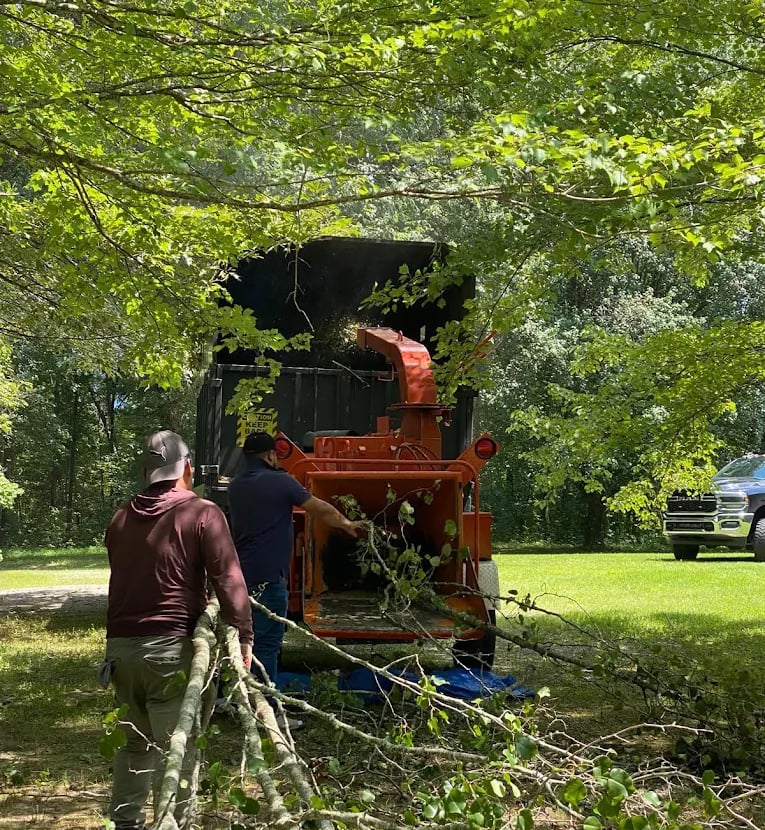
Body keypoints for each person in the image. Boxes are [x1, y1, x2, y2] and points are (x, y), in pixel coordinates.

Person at [103, 429, 254, 830]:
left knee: (133, 744)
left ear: (147, 472)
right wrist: (244, 635)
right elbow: (229, 579)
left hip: (119, 652)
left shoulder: (120, 518)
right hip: (170, 650)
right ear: (187, 468)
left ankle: (126, 825)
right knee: (178, 752)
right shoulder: (203, 513)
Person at [228, 431, 363, 688]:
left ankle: (238, 696)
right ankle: (265, 704)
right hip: (269, 577)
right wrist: (347, 524)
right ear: (270, 455)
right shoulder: (281, 482)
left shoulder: (236, 486)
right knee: (267, 644)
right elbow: (320, 508)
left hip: (242, 576)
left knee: (244, 639)